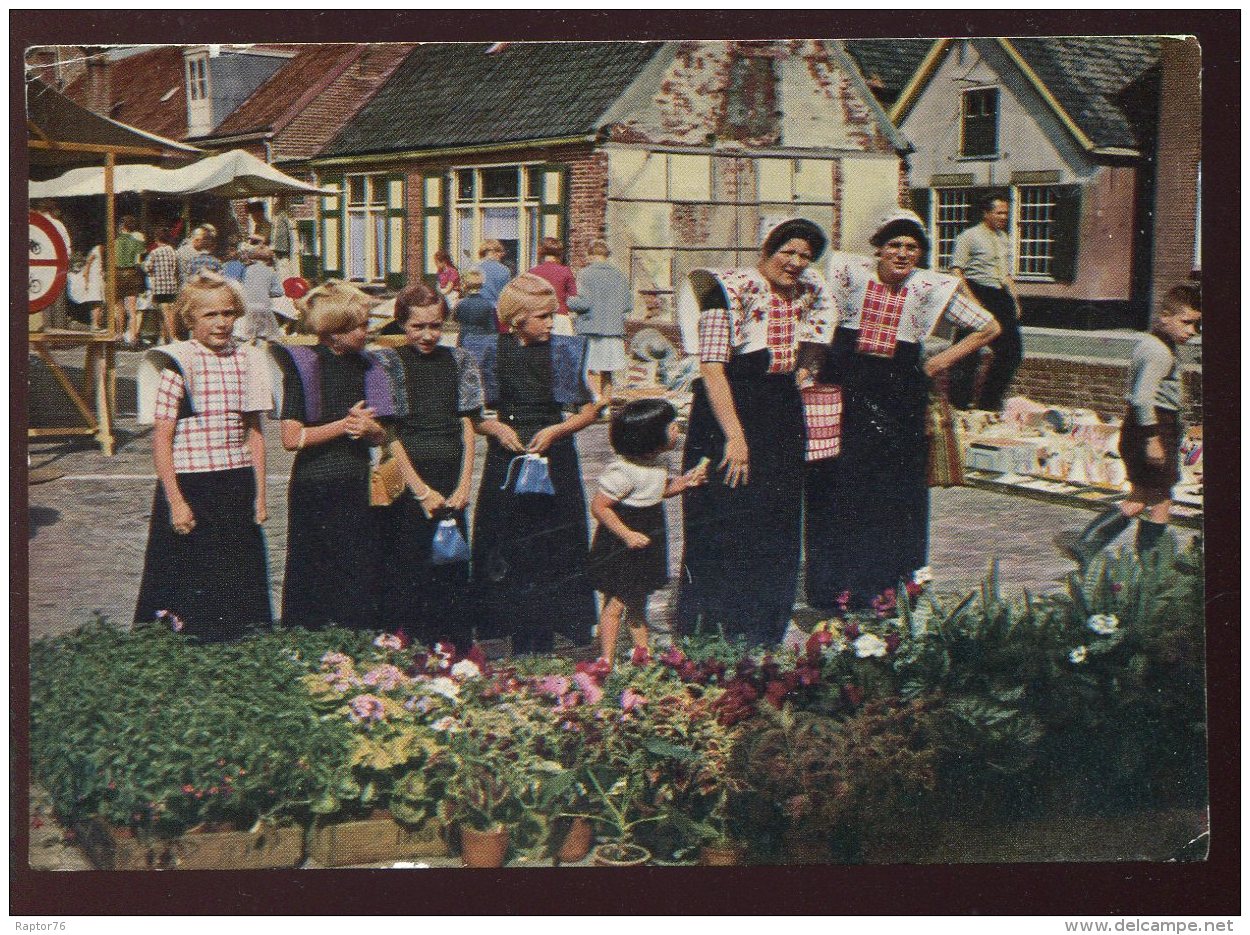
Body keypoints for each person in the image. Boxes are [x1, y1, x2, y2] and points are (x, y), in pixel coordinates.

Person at [801, 210, 1001, 610]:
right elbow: (812, 315)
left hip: (900, 399)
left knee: (894, 494)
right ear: (878, 248)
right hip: (845, 392)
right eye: (894, 244)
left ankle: (886, 590)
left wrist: (939, 362)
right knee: (839, 486)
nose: (902, 253)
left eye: (912, 246)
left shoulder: (929, 286)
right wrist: (808, 370)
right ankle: (834, 589)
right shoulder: (847, 275)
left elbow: (989, 327)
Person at [674, 217, 831, 645]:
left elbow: (810, 347)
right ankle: (712, 631)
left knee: (776, 520)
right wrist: (736, 436)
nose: (796, 262)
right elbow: (711, 368)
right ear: (767, 248)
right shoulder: (724, 290)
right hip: (727, 410)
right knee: (726, 517)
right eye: (787, 252)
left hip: (779, 410)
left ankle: (763, 629)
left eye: (805, 255)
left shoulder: (809, 292)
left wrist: (806, 374)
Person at [462, 273, 603, 654]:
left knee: (555, 537)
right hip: (507, 452)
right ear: (517, 318)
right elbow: (472, 414)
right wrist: (493, 429)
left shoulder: (564, 351)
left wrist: (558, 431)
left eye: (552, 314)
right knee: (505, 538)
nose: (551, 322)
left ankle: (558, 621)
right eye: (542, 316)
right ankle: (503, 621)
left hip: (553, 452)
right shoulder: (489, 350)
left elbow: (590, 410)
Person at [133, 271, 274, 641]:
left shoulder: (248, 359)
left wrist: (259, 494)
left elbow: (254, 433)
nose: (222, 322)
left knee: (236, 568)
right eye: (210, 315)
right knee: (189, 569)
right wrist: (175, 500)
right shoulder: (177, 365)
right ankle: (186, 645)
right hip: (191, 483)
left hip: (235, 479)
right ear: (189, 319)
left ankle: (238, 644)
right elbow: (162, 440)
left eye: (228, 313)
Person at [272, 280, 392, 631]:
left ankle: (352, 638)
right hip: (315, 480)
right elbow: (292, 438)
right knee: (313, 564)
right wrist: (344, 425)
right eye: (359, 326)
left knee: (356, 564)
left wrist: (372, 431)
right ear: (334, 332)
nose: (367, 331)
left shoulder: (369, 366)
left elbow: (382, 434)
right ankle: (309, 637)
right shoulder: (305, 368)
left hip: (355, 479)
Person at [1061, 283, 1201, 566]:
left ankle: (1137, 557)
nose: (1192, 331)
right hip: (1153, 426)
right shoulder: (1159, 352)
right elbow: (1141, 397)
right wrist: (1153, 439)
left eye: (1196, 325)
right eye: (1186, 322)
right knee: (1151, 497)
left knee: (1155, 495)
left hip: (1148, 426)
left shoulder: (1154, 344)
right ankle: (1135, 559)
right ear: (1165, 316)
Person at [378, 282, 485, 647]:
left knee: (452, 563)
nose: (427, 335)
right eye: (417, 327)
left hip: (451, 477)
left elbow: (468, 425)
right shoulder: (389, 363)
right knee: (411, 564)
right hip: (413, 480)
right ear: (401, 325)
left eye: (435, 326)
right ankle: (413, 646)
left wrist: (464, 485)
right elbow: (389, 434)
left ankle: (453, 647)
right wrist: (420, 490)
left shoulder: (460, 361)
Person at [589, 399, 708, 665]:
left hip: (649, 536)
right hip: (622, 543)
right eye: (670, 426)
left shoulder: (658, 464)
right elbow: (599, 506)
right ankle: (605, 660)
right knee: (616, 603)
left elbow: (659, 490)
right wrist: (626, 534)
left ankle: (643, 655)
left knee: (638, 601)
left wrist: (686, 482)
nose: (676, 430)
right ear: (649, 436)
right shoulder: (622, 472)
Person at [946, 195, 1025, 411]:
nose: (1004, 217)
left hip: (999, 295)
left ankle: (988, 403)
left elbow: (1006, 273)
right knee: (967, 353)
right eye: (999, 213)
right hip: (976, 291)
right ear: (986, 213)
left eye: (1006, 213)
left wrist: (1014, 299)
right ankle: (959, 404)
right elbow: (956, 271)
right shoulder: (968, 237)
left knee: (1012, 351)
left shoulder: (1004, 238)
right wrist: (972, 302)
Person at [568, 239, 631, 400]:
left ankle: (595, 400)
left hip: (591, 328)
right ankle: (606, 401)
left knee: (587, 368)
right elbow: (627, 305)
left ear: (591, 255)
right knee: (608, 371)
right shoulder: (620, 275)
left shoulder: (585, 274)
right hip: (613, 329)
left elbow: (584, 303)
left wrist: (568, 301)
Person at [528, 237, 578, 336]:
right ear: (559, 253)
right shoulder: (565, 271)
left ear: (541, 252)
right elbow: (573, 296)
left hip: (539, 316)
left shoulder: (532, 272)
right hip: (560, 316)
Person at [237, 244, 284, 343]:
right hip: (264, 306)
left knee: (247, 337)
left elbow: (241, 285)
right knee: (270, 336)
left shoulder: (246, 270)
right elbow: (279, 292)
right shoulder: (271, 271)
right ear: (268, 259)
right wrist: (267, 292)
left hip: (247, 306)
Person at [142, 227, 181, 344]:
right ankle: (163, 337)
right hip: (171, 285)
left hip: (159, 287)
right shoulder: (173, 252)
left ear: (157, 239)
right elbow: (175, 269)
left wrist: (142, 264)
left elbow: (147, 267)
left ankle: (172, 337)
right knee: (169, 311)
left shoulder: (154, 253)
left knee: (164, 313)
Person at [115, 215, 147, 348]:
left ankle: (119, 334)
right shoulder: (136, 240)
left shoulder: (114, 241)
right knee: (132, 310)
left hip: (117, 273)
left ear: (122, 227)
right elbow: (142, 253)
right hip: (132, 273)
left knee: (118, 307)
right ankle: (133, 337)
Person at [452, 270, 498, 336]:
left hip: (465, 338)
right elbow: (492, 328)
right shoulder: (488, 305)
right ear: (481, 285)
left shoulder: (461, 304)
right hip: (484, 340)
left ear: (465, 285)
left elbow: (455, 319)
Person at [475, 239, 512, 320]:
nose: (502, 255)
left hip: (475, 308)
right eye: (500, 252)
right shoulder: (504, 270)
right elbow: (505, 295)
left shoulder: (474, 269)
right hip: (494, 310)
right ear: (495, 252)